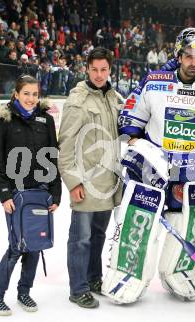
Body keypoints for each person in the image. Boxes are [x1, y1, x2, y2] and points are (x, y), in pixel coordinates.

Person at [102, 27, 195, 304]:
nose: (193, 62)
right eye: (188, 55)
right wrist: (142, 151)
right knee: (139, 222)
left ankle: (179, 272)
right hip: (153, 169)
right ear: (179, 55)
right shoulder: (154, 82)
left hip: (194, 173)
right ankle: (129, 274)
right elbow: (130, 121)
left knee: (192, 227)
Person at [0, 75, 61, 316]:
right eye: (26, 93)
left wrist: (55, 192)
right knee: (15, 245)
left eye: (35, 94)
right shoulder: (4, 120)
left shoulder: (45, 120)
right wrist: (5, 194)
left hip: (40, 191)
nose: (31, 99)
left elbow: (52, 158)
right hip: (15, 193)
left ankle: (24, 292)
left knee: (34, 244)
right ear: (16, 94)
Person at [58, 47, 124, 309]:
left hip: (107, 184)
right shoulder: (78, 100)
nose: (99, 74)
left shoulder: (114, 97)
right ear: (87, 69)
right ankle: (78, 288)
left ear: (110, 70)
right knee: (81, 238)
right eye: (94, 69)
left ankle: (94, 278)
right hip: (85, 184)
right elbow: (64, 145)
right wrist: (73, 182)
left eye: (103, 70)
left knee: (98, 235)